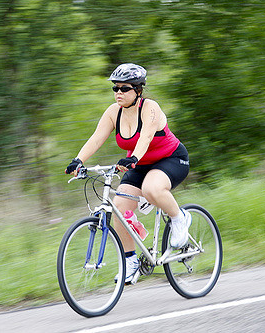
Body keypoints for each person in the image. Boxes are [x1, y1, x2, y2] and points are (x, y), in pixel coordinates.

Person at [65, 63, 191, 283]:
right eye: (115, 88)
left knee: (152, 189)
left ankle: (180, 218)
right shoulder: (113, 112)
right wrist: (78, 161)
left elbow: (146, 138)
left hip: (171, 159)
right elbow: (96, 139)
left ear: (138, 90)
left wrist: (133, 158)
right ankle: (131, 262)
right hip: (139, 164)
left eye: (124, 88)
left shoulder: (150, 108)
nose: (118, 93)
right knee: (120, 208)